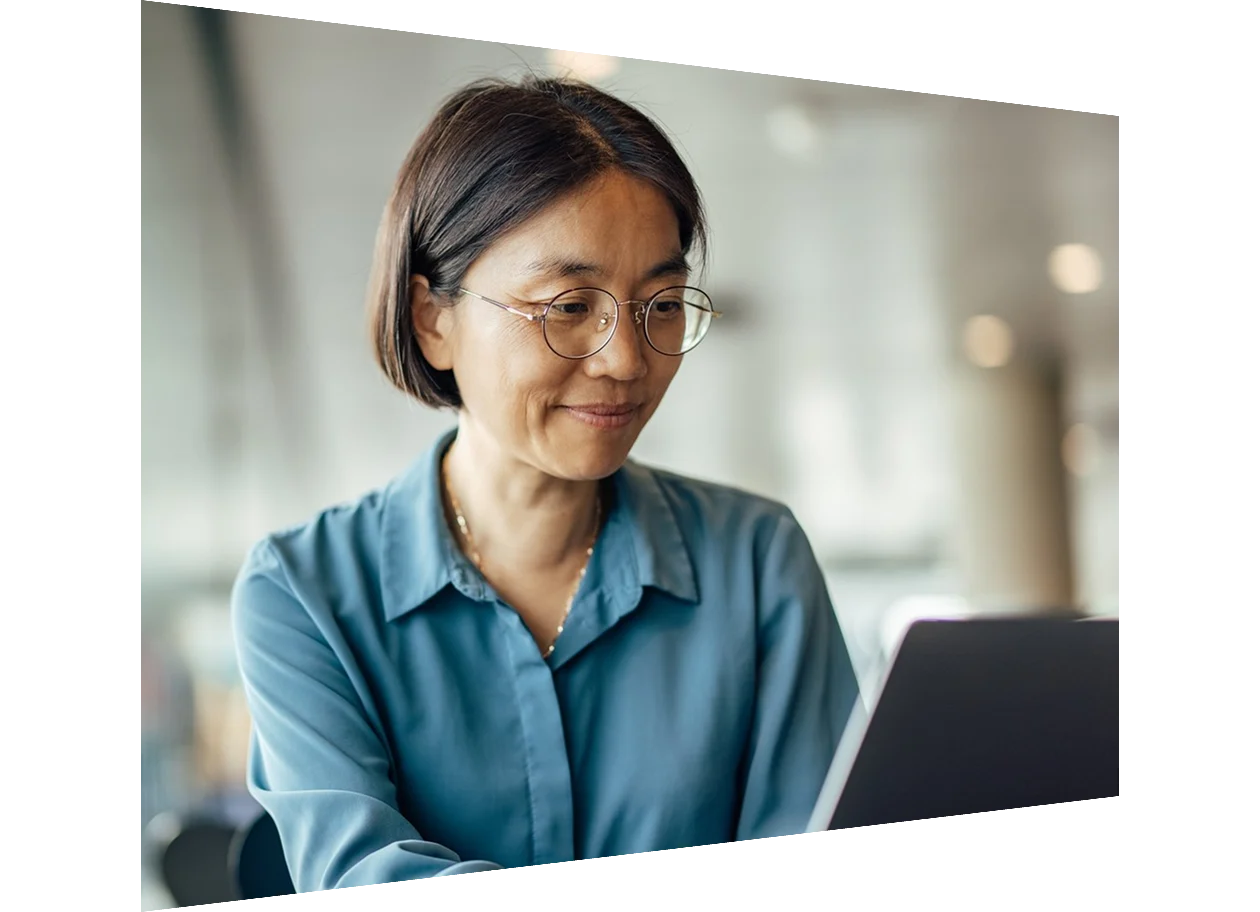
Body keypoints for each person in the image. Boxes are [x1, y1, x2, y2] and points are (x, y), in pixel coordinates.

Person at [231, 74, 859, 891]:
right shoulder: (305, 594)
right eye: (569, 306)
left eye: (661, 305)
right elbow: (360, 872)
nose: (627, 360)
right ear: (434, 319)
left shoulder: (756, 561)